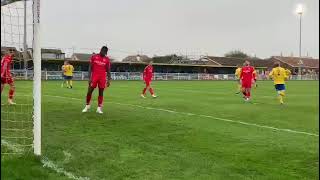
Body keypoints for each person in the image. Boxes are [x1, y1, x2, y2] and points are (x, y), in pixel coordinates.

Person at [82, 46, 111, 114]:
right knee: (89, 91)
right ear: (100, 50)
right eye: (103, 51)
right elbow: (90, 67)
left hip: (102, 78)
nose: (103, 53)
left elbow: (108, 70)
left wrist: (109, 80)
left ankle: (99, 108)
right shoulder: (94, 57)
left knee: (101, 92)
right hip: (94, 77)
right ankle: (87, 105)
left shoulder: (107, 59)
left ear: (106, 52)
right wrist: (89, 78)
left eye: (105, 52)